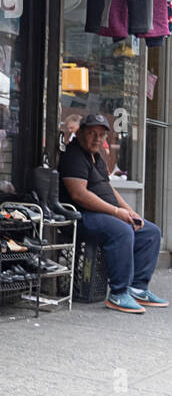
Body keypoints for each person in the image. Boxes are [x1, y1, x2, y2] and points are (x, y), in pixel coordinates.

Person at [60, 114, 166, 314]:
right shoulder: (73, 156)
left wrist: (129, 211)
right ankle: (118, 293)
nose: (96, 138)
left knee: (150, 232)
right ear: (80, 132)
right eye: (92, 133)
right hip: (81, 217)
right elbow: (79, 194)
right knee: (122, 230)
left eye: (101, 135)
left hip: (104, 214)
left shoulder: (97, 158)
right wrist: (117, 213)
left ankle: (138, 289)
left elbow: (110, 189)